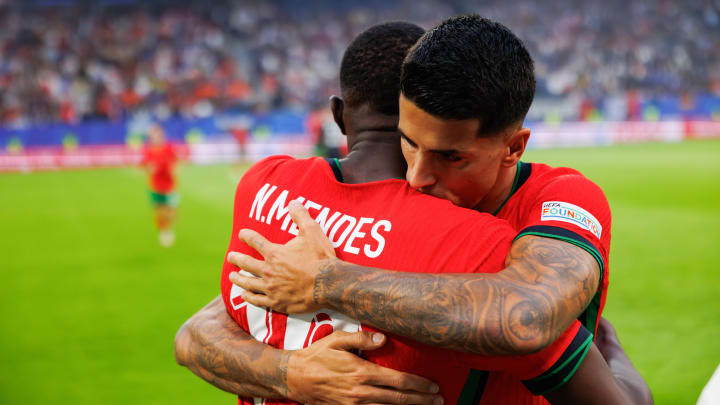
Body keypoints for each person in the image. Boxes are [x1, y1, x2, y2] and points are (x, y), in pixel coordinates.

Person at [175, 21, 652, 404]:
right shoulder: (397, 214)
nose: (417, 176)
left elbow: (524, 314)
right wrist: (288, 373)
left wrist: (329, 281)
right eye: (408, 142)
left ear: (514, 147)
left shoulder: (560, 199)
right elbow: (197, 333)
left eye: (450, 157)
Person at [141, 124, 179, 247]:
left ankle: (168, 229)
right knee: (159, 211)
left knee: (172, 212)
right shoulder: (149, 150)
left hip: (170, 185)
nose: (156, 137)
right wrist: (149, 169)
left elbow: (176, 161)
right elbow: (144, 165)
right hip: (156, 186)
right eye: (153, 135)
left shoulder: (168, 148)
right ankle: (164, 232)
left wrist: (174, 169)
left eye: (158, 134)